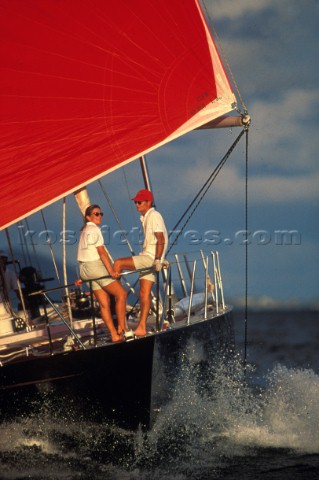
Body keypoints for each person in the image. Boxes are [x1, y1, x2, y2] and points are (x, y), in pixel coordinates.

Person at [114, 189, 168, 337]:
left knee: (118, 263)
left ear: (148, 203)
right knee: (144, 292)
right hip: (151, 257)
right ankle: (142, 327)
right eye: (135, 202)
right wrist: (160, 258)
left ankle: (120, 322)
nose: (136, 204)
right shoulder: (146, 217)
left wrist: (158, 259)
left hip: (150, 258)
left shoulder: (154, 215)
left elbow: (161, 238)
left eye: (139, 202)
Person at [76, 204, 128, 342]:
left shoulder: (84, 231)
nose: (99, 216)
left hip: (84, 270)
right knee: (122, 294)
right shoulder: (94, 229)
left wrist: (81, 277)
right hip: (95, 267)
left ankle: (114, 335)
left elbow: (83, 255)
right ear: (88, 217)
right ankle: (122, 329)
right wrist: (111, 271)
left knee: (104, 303)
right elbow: (101, 252)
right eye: (96, 214)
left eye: (100, 213)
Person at [0, 250, 19, 319]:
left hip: (6, 303)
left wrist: (24, 300)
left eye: (3, 258)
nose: (1, 260)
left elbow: (16, 289)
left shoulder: (11, 274)